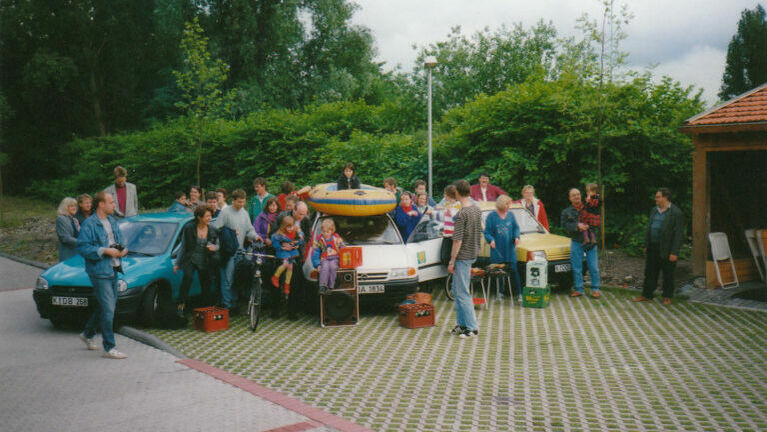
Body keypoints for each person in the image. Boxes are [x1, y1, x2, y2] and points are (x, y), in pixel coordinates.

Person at [77, 191, 129, 359]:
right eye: (111, 202)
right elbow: (83, 247)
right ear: (101, 204)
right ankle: (109, 347)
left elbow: (120, 240)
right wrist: (104, 250)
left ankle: (87, 333)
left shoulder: (112, 221)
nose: (114, 205)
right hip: (99, 271)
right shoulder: (89, 224)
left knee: (104, 306)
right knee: (108, 308)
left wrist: (123, 250)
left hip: (114, 268)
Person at [633, 187, 685, 305]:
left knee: (668, 273)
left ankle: (667, 296)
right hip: (653, 246)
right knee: (650, 272)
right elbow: (649, 228)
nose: (655, 199)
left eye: (658, 197)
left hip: (667, 248)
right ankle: (647, 295)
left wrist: (674, 252)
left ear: (665, 198)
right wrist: (646, 244)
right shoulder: (654, 210)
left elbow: (678, 234)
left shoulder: (676, 213)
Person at [211, 189, 260, 314]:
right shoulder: (225, 212)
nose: (241, 205)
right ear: (233, 200)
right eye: (239, 202)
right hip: (228, 251)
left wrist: (256, 236)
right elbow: (216, 228)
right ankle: (227, 306)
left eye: (243, 202)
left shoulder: (244, 213)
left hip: (240, 250)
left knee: (236, 278)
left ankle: (234, 304)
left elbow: (249, 229)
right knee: (227, 279)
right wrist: (230, 232)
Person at [448, 179, 482, 339]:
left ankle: (472, 328)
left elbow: (457, 240)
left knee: (462, 293)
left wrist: (451, 261)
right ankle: (462, 324)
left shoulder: (461, 214)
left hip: (463, 255)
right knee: (457, 290)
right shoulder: (476, 209)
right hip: (473, 252)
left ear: (456, 193)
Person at [173, 205, 218, 315]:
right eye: (207, 216)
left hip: (205, 259)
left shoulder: (212, 229)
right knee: (187, 278)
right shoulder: (189, 228)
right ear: (199, 217)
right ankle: (181, 306)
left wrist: (214, 248)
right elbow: (183, 246)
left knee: (206, 283)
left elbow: (218, 244)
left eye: (210, 216)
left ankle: (205, 309)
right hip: (191, 258)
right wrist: (177, 263)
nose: (209, 218)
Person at [561, 188, 601, 299]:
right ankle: (579, 289)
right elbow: (564, 226)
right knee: (576, 267)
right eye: (573, 195)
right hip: (576, 241)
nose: (576, 197)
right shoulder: (566, 212)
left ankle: (596, 289)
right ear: (570, 198)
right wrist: (576, 226)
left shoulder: (589, 206)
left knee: (593, 266)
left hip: (591, 241)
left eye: (578, 194)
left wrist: (589, 226)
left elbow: (598, 220)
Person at [483, 195, 523, 302]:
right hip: (498, 249)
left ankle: (520, 294)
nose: (509, 206)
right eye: (507, 204)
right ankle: (500, 292)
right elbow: (486, 232)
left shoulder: (511, 215)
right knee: (499, 271)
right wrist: (491, 240)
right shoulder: (491, 216)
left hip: (510, 248)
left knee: (514, 270)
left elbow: (516, 228)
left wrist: (516, 237)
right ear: (501, 205)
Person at [270, 216, 304, 304]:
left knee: (290, 267)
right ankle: (275, 277)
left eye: (291, 227)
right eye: (288, 227)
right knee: (285, 264)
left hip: (291, 252)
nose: (290, 229)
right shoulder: (280, 234)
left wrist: (297, 244)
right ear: (284, 227)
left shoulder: (295, 232)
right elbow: (274, 241)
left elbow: (300, 238)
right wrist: (281, 247)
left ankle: (287, 284)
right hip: (283, 252)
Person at [312, 218, 346, 295]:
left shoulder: (336, 239)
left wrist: (344, 260)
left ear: (332, 231)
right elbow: (315, 253)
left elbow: (343, 249)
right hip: (325, 258)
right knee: (325, 267)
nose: (325, 233)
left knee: (333, 267)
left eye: (328, 232)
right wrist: (317, 264)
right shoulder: (319, 240)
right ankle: (322, 286)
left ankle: (331, 286)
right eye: (324, 231)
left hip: (335, 258)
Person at [434, 185, 461, 263]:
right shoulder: (447, 205)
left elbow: (457, 219)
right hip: (447, 235)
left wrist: (451, 211)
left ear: (449, 195)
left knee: (450, 258)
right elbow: (444, 218)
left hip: (454, 236)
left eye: (445, 194)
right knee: (444, 258)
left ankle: (454, 273)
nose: (444, 196)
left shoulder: (458, 205)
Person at [56, 197, 80, 262]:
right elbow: (65, 238)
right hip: (67, 255)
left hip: (77, 254)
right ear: (65, 207)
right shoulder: (60, 219)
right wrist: (82, 242)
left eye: (75, 206)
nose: (74, 208)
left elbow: (78, 235)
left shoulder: (74, 219)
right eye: (71, 206)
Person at [579, 183, 601, 247]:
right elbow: (586, 206)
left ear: (594, 191)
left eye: (589, 191)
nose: (587, 193)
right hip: (589, 215)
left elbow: (592, 205)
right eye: (587, 191)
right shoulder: (592, 198)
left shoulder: (596, 198)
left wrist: (588, 200)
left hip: (592, 216)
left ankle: (589, 239)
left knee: (586, 226)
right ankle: (589, 239)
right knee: (588, 228)